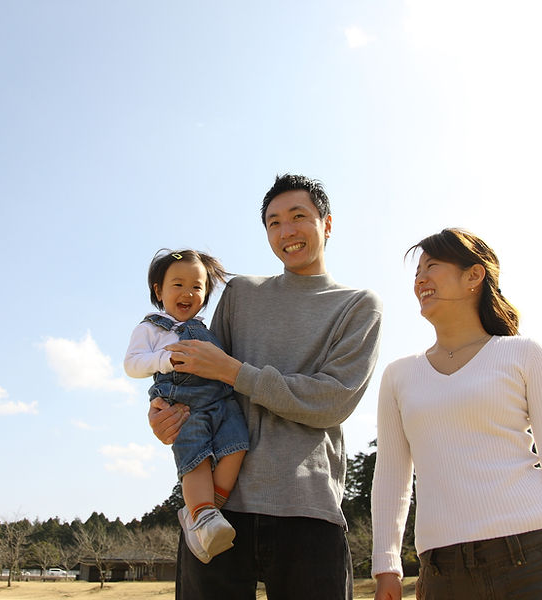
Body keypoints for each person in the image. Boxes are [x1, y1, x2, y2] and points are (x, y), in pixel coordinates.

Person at [148, 174, 383, 600]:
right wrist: (162, 412)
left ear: (327, 224)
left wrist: (238, 373)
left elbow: (332, 401)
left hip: (308, 510)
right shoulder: (240, 293)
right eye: (274, 222)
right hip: (218, 511)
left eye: (299, 217)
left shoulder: (358, 304)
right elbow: (199, 376)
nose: (286, 231)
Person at [371, 228, 542, 600]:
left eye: (432, 267)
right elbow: (391, 477)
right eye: (416, 274)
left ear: (473, 276)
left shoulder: (524, 354)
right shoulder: (398, 375)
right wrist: (386, 567)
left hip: (539, 558)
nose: (420, 280)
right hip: (444, 574)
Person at [124, 249, 249, 563]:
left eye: (197, 286)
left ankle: (206, 512)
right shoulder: (152, 328)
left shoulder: (207, 329)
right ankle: (203, 514)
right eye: (177, 284)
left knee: (237, 446)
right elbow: (132, 365)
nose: (187, 292)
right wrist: (165, 360)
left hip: (219, 400)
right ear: (158, 291)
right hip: (184, 405)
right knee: (196, 460)